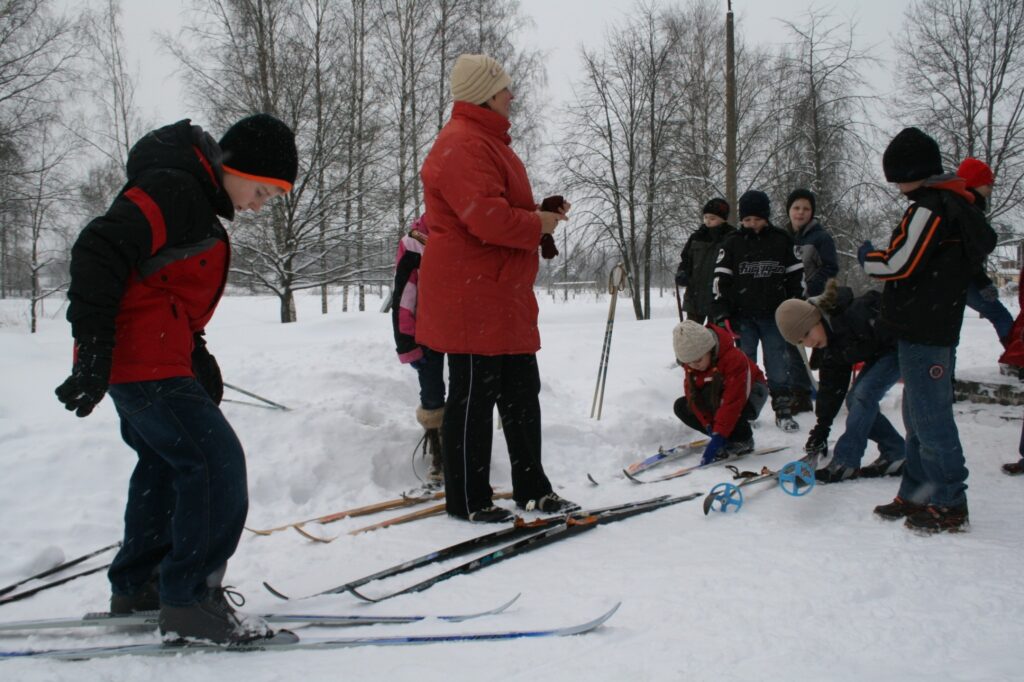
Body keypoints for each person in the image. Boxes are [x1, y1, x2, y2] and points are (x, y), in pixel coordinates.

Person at [54, 115, 299, 643]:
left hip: (155, 359)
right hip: (142, 363)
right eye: (263, 189)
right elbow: (97, 250)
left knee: (166, 465)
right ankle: (189, 597)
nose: (260, 204)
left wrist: (198, 357)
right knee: (216, 464)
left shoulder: (190, 195)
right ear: (236, 167)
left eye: (272, 196)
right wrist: (93, 349)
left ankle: (140, 584)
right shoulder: (174, 190)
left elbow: (160, 290)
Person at [416, 53, 578, 523]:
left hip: (500, 294)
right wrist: (537, 222)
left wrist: (536, 213)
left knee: (521, 394)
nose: (512, 94)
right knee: (473, 399)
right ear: (486, 92)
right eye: (506, 87)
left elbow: (495, 206)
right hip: (473, 297)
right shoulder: (463, 143)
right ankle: (468, 499)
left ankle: (532, 489)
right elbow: (484, 217)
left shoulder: (486, 141)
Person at [859, 126, 995, 533]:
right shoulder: (949, 203)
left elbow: (899, 261)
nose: (896, 185)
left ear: (910, 171)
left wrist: (869, 258)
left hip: (925, 329)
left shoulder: (931, 207)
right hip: (929, 325)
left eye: (897, 175)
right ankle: (917, 491)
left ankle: (950, 501)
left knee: (931, 419)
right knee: (917, 417)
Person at [775, 279, 905, 483]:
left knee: (863, 395)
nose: (809, 343)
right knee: (855, 400)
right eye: (802, 342)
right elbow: (831, 388)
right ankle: (896, 453)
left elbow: (892, 323)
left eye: (807, 333)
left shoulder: (855, 314)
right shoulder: (829, 346)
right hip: (882, 354)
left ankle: (846, 461)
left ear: (816, 317)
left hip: (902, 348)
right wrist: (822, 428)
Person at [711, 189, 810, 432]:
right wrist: (722, 313)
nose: (752, 225)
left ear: (766, 217)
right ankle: (744, 409)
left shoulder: (782, 240)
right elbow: (720, 281)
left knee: (778, 363)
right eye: (747, 220)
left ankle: (783, 409)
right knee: (744, 365)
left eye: (757, 219)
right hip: (742, 317)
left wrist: (796, 305)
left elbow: (797, 278)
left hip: (775, 316)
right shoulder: (732, 243)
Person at [392, 214, 445, 487]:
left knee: (465, 392)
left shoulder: (464, 234)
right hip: (427, 332)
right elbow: (404, 294)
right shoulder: (413, 243)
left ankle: (461, 447)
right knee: (433, 394)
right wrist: (407, 342)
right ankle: (439, 454)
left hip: (465, 329)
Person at [671, 320, 768, 464]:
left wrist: (719, 435)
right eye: (689, 362)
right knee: (683, 405)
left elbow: (732, 401)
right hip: (720, 394)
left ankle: (743, 439)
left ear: (709, 349)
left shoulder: (733, 359)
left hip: (751, 392)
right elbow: (694, 398)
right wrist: (709, 426)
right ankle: (727, 435)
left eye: (698, 359)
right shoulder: (692, 366)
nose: (694, 365)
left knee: (720, 402)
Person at [955, 158, 1014, 345]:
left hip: (951, 279)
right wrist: (982, 282)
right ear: (974, 183)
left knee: (950, 327)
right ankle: (1016, 357)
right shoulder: (969, 211)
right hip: (965, 279)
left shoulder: (957, 206)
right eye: (987, 183)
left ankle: (946, 373)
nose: (990, 188)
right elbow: (971, 252)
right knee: (1000, 315)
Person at [675, 198, 736, 324]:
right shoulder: (696, 237)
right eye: (706, 217)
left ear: (723, 219)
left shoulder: (732, 237)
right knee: (692, 337)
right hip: (695, 297)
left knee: (717, 338)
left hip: (719, 298)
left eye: (712, 218)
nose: (708, 221)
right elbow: (686, 259)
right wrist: (682, 272)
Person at [786, 189, 838, 298]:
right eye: (796, 208)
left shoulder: (822, 238)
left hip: (813, 301)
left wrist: (809, 290)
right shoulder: (783, 239)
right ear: (789, 210)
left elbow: (830, 269)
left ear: (812, 212)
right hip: (787, 301)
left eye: (806, 209)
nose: (801, 212)